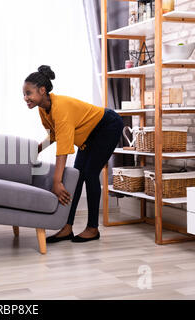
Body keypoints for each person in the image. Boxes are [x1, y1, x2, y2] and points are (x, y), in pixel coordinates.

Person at [23, 65, 123, 244]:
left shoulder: (60, 108)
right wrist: (37, 148)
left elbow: (63, 148)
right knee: (76, 176)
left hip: (107, 126)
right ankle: (67, 227)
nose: (25, 98)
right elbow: (54, 134)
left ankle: (92, 228)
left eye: (29, 93)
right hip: (89, 134)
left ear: (42, 90)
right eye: (24, 94)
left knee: (90, 174)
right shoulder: (43, 109)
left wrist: (57, 181)